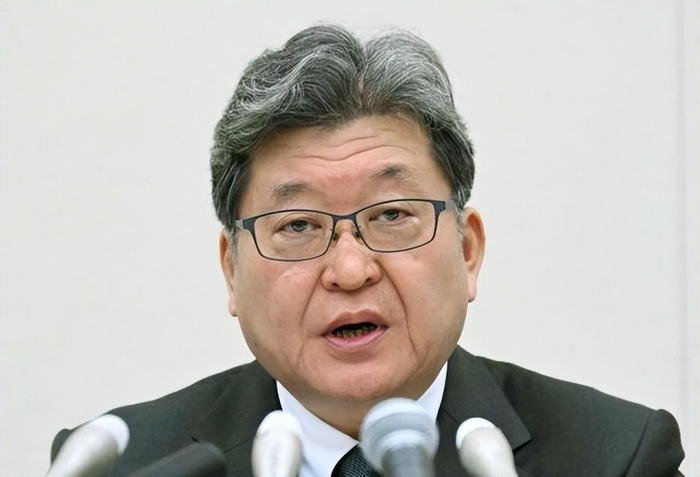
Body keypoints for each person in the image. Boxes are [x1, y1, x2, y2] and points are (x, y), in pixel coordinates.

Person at [50, 24, 685, 476]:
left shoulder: (615, 457)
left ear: (467, 251)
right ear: (232, 271)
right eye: (298, 225)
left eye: (391, 215)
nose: (350, 270)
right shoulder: (124, 463)